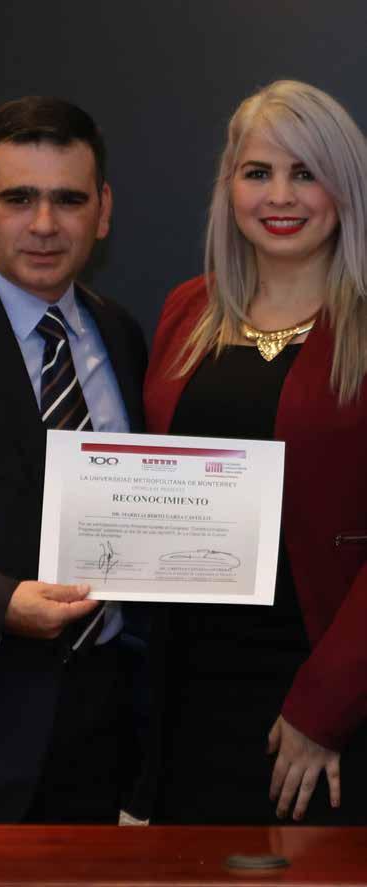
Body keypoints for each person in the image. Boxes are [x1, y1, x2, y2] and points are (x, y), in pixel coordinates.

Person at [140, 80, 367, 825]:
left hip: (324, 702)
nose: (281, 196)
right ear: (228, 186)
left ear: (345, 187)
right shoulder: (188, 310)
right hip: (189, 691)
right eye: (258, 172)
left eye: (306, 173)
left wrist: (325, 708)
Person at [0, 96, 147, 823]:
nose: (45, 224)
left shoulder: (120, 335)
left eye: (69, 199)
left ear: (104, 211)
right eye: (18, 198)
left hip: (102, 736)